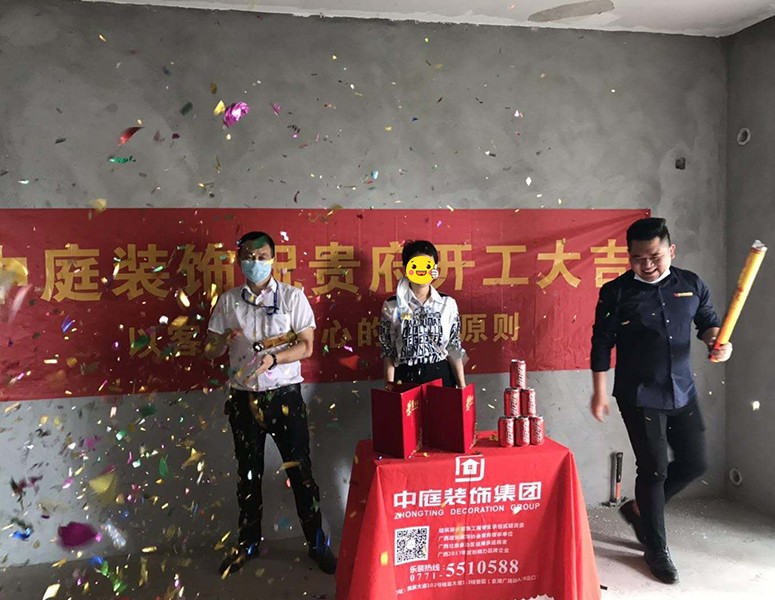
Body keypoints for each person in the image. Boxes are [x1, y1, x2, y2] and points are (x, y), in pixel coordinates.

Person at [590, 217, 732, 584]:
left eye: (655, 256)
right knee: (653, 470)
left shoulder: (690, 284)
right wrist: (599, 391)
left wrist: (718, 342)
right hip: (639, 395)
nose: (647, 264)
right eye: (638, 258)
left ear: (671, 251)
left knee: (695, 462)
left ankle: (639, 510)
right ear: (629, 257)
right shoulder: (616, 292)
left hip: (682, 389)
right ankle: (656, 548)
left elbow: (708, 322)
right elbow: (601, 343)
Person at [204, 231, 336, 576]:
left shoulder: (292, 297)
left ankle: (317, 544)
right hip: (243, 398)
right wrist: (222, 341)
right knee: (248, 475)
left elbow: (306, 346)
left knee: (301, 473)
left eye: (262, 256)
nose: (256, 262)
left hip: (284, 397)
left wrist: (274, 360)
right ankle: (247, 543)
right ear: (239, 261)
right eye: (249, 256)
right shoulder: (228, 302)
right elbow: (210, 350)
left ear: (273, 259)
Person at [379, 240, 466, 388]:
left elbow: (453, 347)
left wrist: (462, 386)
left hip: (440, 376)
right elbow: (388, 352)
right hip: (405, 379)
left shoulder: (447, 304)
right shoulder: (392, 305)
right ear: (406, 268)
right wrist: (389, 388)